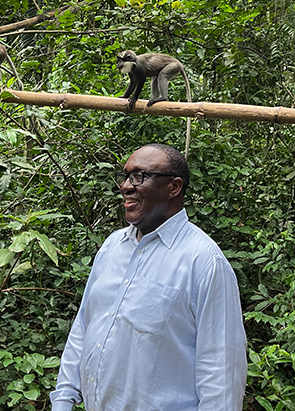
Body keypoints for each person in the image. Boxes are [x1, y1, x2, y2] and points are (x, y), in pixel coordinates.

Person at [49, 143, 247, 411]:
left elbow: (221, 374)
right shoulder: (111, 247)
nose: (125, 186)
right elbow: (84, 328)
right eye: (125, 176)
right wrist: (63, 400)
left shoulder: (204, 261)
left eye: (139, 176)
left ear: (173, 187)